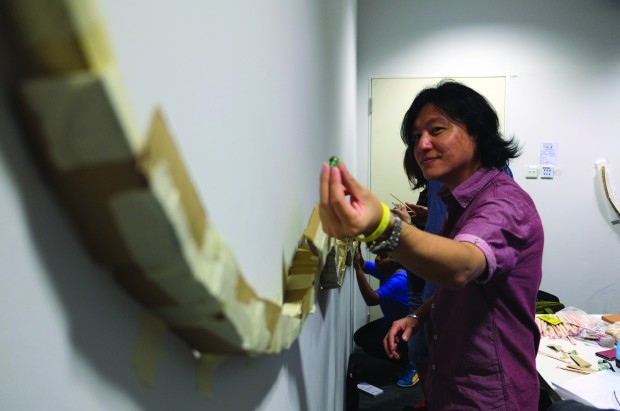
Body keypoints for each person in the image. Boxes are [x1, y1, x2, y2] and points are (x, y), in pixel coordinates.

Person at [319, 80, 544, 410]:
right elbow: (457, 290)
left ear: (476, 133)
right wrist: (418, 315)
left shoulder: (502, 203)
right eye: (414, 137)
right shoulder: (456, 202)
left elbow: (461, 266)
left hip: (490, 395)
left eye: (437, 130)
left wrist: (381, 226)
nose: (422, 144)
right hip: (451, 383)